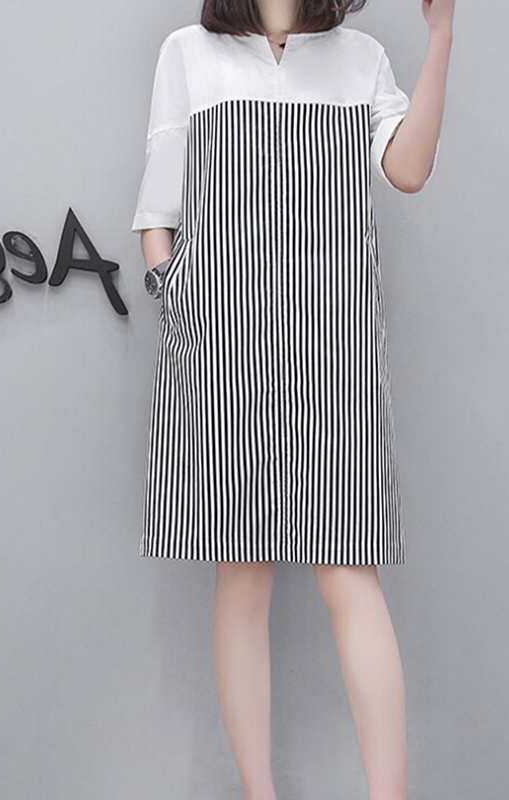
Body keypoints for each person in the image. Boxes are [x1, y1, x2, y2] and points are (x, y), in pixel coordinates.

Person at [131, 0, 454, 797]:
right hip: (221, 344)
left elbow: (409, 170)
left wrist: (441, 35)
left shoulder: (359, 58)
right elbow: (158, 208)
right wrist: (179, 295)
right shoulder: (188, 53)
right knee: (242, 571)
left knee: (348, 566)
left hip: (337, 344)